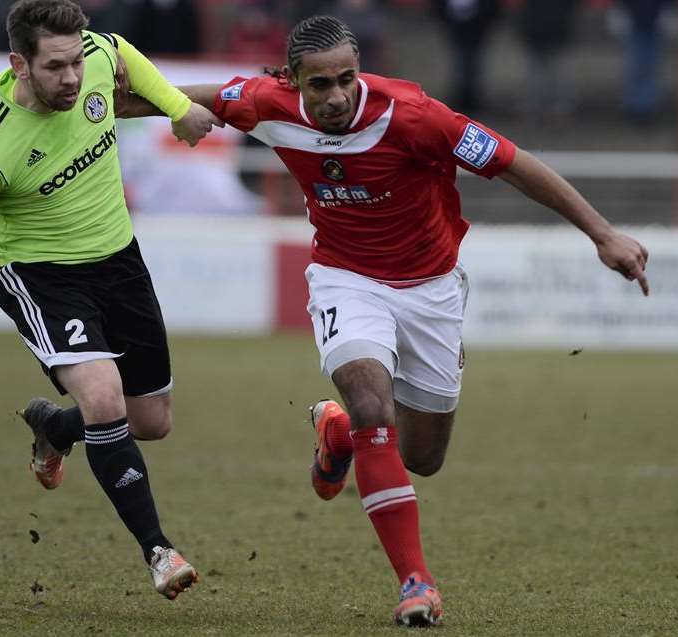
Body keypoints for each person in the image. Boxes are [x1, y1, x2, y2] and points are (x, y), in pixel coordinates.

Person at [120, 15, 649, 626]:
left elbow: (514, 163)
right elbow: (171, 97)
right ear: (294, 81)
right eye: (319, 85)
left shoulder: (416, 116)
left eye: (346, 79)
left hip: (431, 290)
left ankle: (339, 433)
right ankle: (415, 583)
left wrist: (603, 234)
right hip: (346, 278)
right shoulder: (266, 102)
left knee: (423, 456)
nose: (337, 95)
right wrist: (88, 106)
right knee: (375, 406)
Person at [0, 0, 221, 598]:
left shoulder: (94, 57)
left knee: (151, 422)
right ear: (19, 64)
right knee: (104, 395)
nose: (73, 77)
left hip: (119, 262)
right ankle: (159, 551)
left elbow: (120, 51)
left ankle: (54, 427)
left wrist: (177, 108)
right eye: (55, 67)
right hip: (42, 278)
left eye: (75, 62)